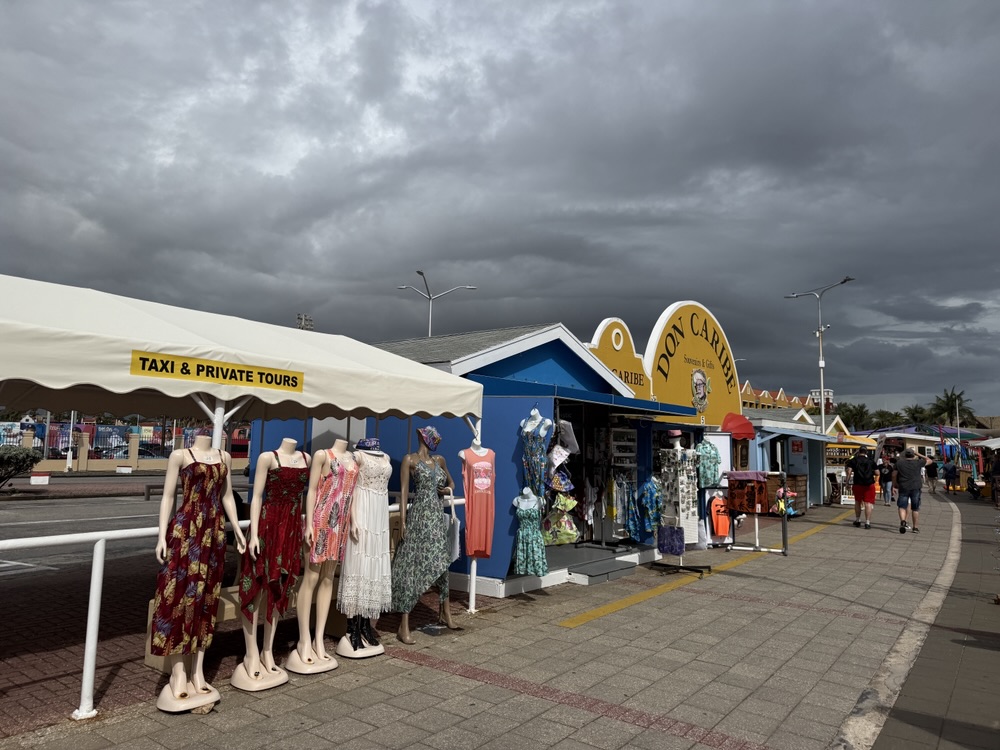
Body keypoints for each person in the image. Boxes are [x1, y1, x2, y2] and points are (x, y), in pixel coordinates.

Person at [151, 432, 246, 712]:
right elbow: (168, 496)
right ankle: (178, 672)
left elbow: (227, 496)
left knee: (207, 599)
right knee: (179, 598)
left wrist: (238, 530)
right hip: (185, 532)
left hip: (213, 533)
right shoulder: (180, 456)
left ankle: (198, 670)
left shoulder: (224, 457)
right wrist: (160, 536)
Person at [235, 439, 310, 691]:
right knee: (257, 588)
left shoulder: (307, 459)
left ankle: (268, 650)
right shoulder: (268, 457)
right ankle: (251, 652)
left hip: (290, 529)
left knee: (280, 589)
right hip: (268, 526)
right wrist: (254, 533)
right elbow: (256, 497)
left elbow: (305, 496)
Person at [290, 438, 358, 673]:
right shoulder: (323, 455)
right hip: (321, 520)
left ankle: (319, 638)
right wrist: (308, 522)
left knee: (329, 578)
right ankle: (303, 639)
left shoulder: (352, 458)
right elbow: (311, 491)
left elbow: (352, 493)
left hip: (341, 524)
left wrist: (354, 521)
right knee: (311, 577)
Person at [391, 426, 457, 645]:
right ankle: (404, 625)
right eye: (428, 436)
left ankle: (445, 611)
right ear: (420, 436)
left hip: (436, 517)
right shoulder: (409, 460)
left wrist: (445, 491)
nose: (431, 440)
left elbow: (451, 483)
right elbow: (403, 492)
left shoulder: (439, 460)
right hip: (419, 515)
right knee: (412, 566)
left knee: (441, 562)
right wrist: (402, 521)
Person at [893, 447, 933, 534]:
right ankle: (915, 527)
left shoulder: (899, 463)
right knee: (915, 508)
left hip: (903, 486)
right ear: (913, 455)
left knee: (902, 506)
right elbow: (929, 460)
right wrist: (917, 453)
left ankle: (903, 521)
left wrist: (894, 484)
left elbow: (894, 474)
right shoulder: (918, 462)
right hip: (915, 487)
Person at [845, 447, 877, 529]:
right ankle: (867, 522)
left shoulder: (853, 460)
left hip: (857, 483)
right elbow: (877, 472)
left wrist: (847, 482)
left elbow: (849, 471)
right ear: (866, 452)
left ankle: (858, 520)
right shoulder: (870, 461)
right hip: (869, 484)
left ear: (859, 452)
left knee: (857, 502)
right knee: (868, 503)